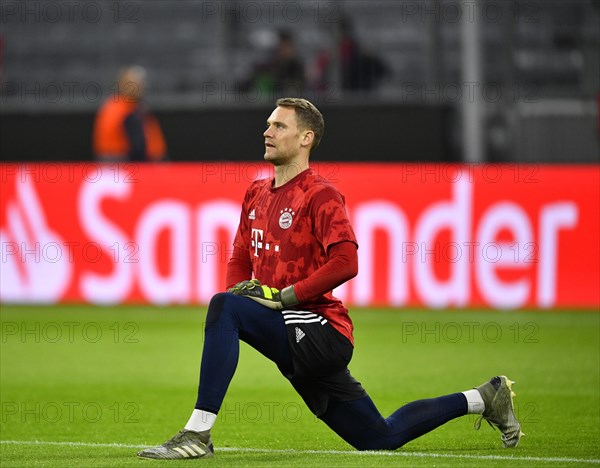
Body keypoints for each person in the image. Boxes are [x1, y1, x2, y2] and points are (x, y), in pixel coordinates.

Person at [137, 98, 523, 460]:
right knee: (379, 438)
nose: (267, 132)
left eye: (279, 126)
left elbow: (346, 262)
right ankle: (484, 397)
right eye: (268, 124)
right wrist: (242, 294)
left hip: (323, 330)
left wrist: (282, 298)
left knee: (225, 307)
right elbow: (240, 253)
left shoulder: (320, 195)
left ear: (306, 138)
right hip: (293, 335)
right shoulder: (256, 192)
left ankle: (197, 435)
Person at [93, 66, 167, 162]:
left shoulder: (134, 107)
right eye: (138, 83)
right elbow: (137, 146)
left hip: (133, 164)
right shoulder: (121, 110)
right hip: (118, 164)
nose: (143, 86)